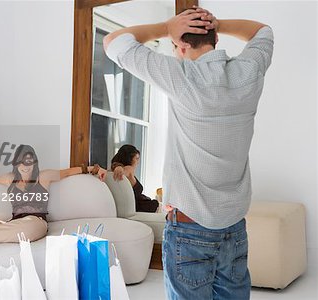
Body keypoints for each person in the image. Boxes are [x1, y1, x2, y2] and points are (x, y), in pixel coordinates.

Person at [104, 5, 273, 300]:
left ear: (179, 45)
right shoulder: (249, 71)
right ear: (217, 39)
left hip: (189, 227)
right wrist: (215, 23)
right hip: (233, 226)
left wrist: (166, 26)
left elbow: (113, 42)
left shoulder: (178, 76)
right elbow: (263, 31)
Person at [111, 144, 159, 212]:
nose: (138, 162)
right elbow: (123, 172)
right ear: (129, 159)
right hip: (143, 207)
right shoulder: (128, 169)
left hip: (143, 205)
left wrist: (117, 167)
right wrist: (118, 168)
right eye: (136, 159)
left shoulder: (113, 171)